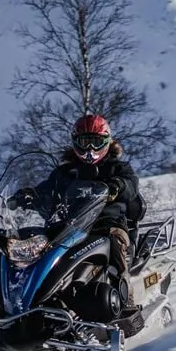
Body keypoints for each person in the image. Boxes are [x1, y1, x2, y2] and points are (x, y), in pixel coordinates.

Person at [33, 114, 140, 306]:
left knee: (115, 247)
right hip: (70, 228)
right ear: (76, 143)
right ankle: (38, 301)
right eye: (85, 142)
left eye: (96, 142)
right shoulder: (65, 172)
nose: (90, 149)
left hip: (109, 225)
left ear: (107, 141)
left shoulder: (118, 168)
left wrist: (118, 185)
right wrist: (30, 196)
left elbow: (131, 185)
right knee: (39, 252)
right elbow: (46, 190)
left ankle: (125, 303)